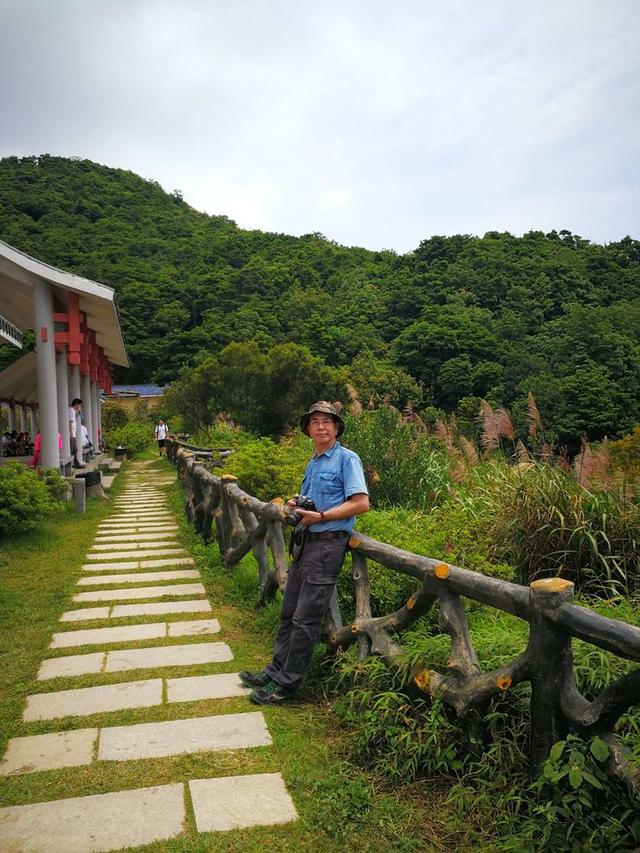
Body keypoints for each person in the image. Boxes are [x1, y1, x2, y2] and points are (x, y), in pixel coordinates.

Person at [241, 401, 369, 706]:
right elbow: (310, 503)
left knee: (305, 618)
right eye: (315, 422)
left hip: (327, 546)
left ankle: (287, 684)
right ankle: (274, 671)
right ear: (308, 429)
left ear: (337, 428)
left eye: (327, 421)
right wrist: (295, 507)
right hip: (305, 544)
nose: (321, 426)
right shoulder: (313, 462)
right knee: (289, 613)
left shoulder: (346, 459)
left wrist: (321, 517)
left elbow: (361, 503)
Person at [68, 398, 85, 468]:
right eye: (79, 405)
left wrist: (78, 413)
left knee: (74, 449)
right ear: (77, 404)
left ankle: (75, 463)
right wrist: (71, 434)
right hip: (72, 434)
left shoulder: (72, 411)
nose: (79, 407)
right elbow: (69, 422)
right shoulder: (71, 410)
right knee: (75, 449)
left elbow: (73, 419)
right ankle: (75, 463)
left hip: (73, 433)